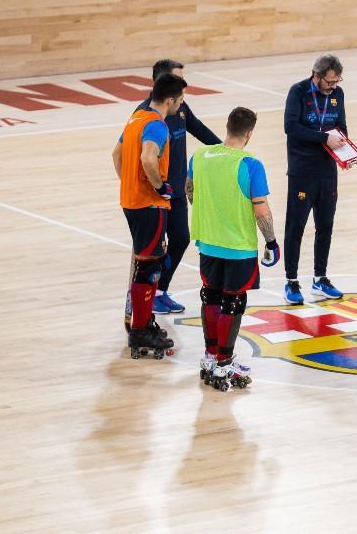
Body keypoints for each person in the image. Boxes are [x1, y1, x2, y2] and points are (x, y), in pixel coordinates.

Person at [186, 107, 280, 391]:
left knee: (210, 297)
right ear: (249, 133)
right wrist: (272, 241)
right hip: (238, 246)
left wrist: (209, 214)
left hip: (207, 241)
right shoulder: (250, 164)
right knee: (232, 303)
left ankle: (211, 357)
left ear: (227, 127)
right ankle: (224, 364)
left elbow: (190, 190)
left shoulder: (199, 156)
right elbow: (261, 210)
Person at [137, 59, 222, 315]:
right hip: (155, 194)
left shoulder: (181, 108)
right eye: (178, 81)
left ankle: (160, 291)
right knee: (151, 251)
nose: (184, 88)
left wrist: (225, 151)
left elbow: (199, 130)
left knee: (181, 239)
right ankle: (143, 299)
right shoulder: (146, 115)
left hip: (176, 190)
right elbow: (137, 156)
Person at [111, 73, 186, 359]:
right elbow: (147, 157)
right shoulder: (157, 125)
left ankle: (142, 323)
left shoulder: (135, 119)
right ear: (170, 100)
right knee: (150, 266)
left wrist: (129, 183)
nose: (181, 105)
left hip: (131, 201)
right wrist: (159, 187)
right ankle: (141, 329)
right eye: (180, 100)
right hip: (149, 204)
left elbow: (116, 155)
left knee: (147, 262)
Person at [283, 54, 348, 305]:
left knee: (326, 226)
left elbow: (341, 127)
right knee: (296, 226)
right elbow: (291, 127)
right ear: (316, 75)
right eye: (330, 82)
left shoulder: (337, 94)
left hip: (327, 171)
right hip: (302, 171)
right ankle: (291, 281)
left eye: (336, 81)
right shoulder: (298, 92)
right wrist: (324, 138)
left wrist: (346, 152)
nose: (333, 86)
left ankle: (320, 278)